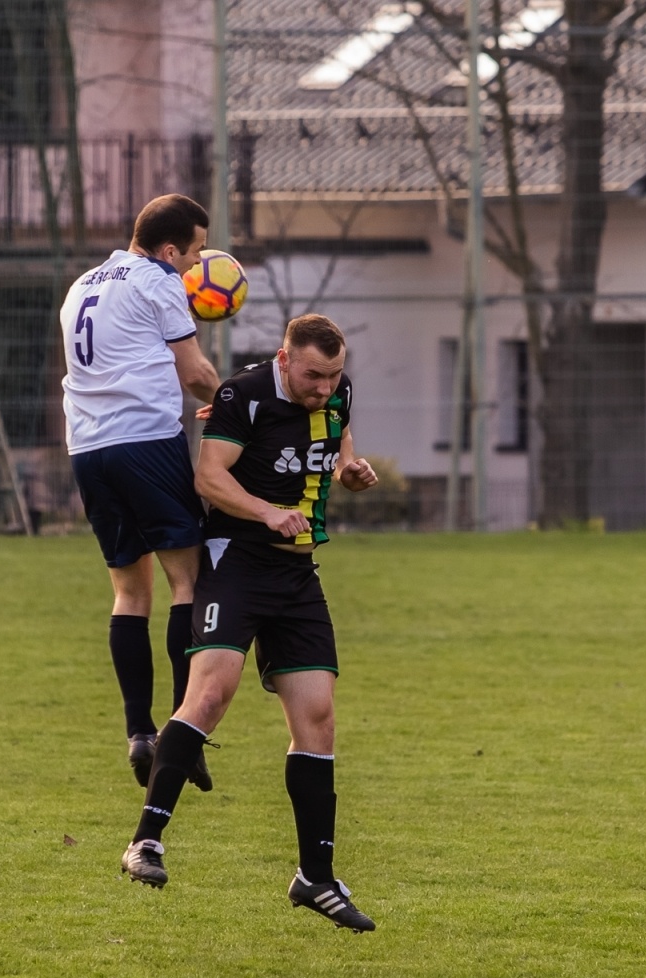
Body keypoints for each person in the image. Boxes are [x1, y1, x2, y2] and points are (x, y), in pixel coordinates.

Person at [119, 313, 382, 933]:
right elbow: (208, 478)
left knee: (317, 718)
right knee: (209, 694)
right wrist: (266, 512)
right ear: (284, 359)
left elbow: (338, 448)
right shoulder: (243, 396)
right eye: (314, 375)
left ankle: (315, 878)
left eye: (335, 374)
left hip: (298, 576)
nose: (325, 387)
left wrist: (351, 471)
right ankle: (146, 843)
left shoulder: (337, 393)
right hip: (235, 563)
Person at [60, 194, 221, 789]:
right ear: (170, 248)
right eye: (196, 251)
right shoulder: (157, 280)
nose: (197, 264)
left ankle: (139, 732)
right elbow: (196, 373)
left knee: (130, 593)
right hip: (145, 441)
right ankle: (183, 733)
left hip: (88, 450)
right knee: (189, 581)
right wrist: (242, 411)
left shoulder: (82, 283)